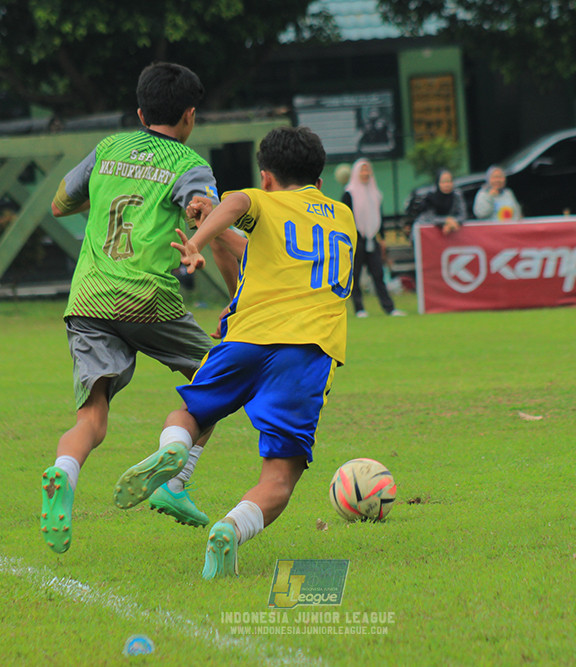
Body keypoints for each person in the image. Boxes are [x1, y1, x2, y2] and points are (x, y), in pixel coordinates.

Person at [111, 126, 355, 579]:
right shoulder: (342, 215)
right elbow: (275, 250)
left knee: (191, 411)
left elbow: (240, 205)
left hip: (246, 338)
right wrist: (214, 227)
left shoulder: (259, 200)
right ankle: (229, 528)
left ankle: (175, 453)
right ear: (319, 183)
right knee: (280, 477)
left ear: (265, 178)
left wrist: (201, 235)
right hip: (307, 354)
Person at [40, 62, 243, 555]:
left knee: (94, 417)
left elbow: (60, 204)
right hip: (147, 297)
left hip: (88, 298)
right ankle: (176, 476)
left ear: (139, 111)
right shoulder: (189, 163)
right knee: (220, 376)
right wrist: (196, 209)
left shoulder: (107, 149)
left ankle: (63, 472)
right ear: (190, 116)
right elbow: (201, 205)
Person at [342, 158, 405, 318]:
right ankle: (359, 308)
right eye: (362, 170)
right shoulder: (349, 193)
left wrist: (381, 237)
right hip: (356, 239)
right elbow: (345, 218)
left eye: (367, 170)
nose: (365, 173)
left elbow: (379, 217)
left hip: (372, 239)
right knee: (354, 275)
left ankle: (389, 308)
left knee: (378, 274)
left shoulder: (375, 193)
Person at [414, 168, 466, 234]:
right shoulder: (430, 197)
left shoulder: (457, 195)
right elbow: (429, 218)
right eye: (443, 182)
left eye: (449, 181)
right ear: (438, 183)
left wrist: (452, 223)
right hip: (425, 233)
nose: (447, 185)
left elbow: (463, 215)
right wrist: (446, 221)